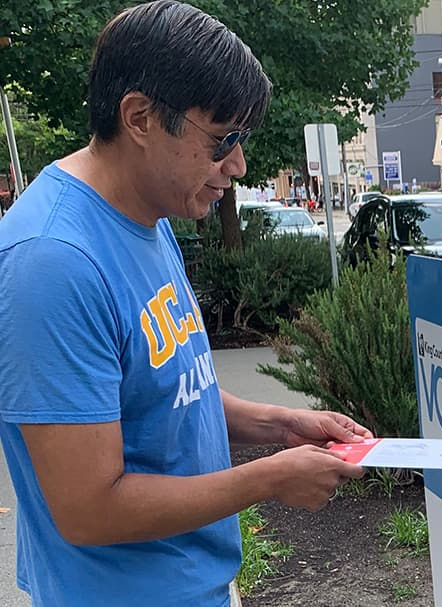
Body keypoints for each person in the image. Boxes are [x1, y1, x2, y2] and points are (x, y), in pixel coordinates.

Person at [0, 3, 372, 606]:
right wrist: (271, 479)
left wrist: (279, 425)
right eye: (222, 139)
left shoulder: (148, 214)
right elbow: (88, 510)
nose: (238, 165)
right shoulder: (52, 262)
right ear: (141, 117)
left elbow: (167, 388)